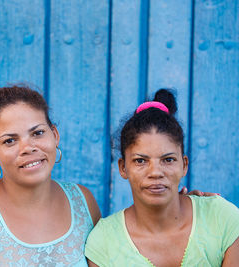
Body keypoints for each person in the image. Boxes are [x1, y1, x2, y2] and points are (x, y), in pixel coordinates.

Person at [0, 85, 101, 266]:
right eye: (10, 141)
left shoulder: (83, 201)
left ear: (55, 135)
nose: (28, 148)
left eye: (38, 133)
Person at [85, 89, 239, 266]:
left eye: (168, 160)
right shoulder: (105, 242)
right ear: (123, 167)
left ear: (184, 165)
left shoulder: (220, 218)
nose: (155, 172)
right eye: (140, 160)